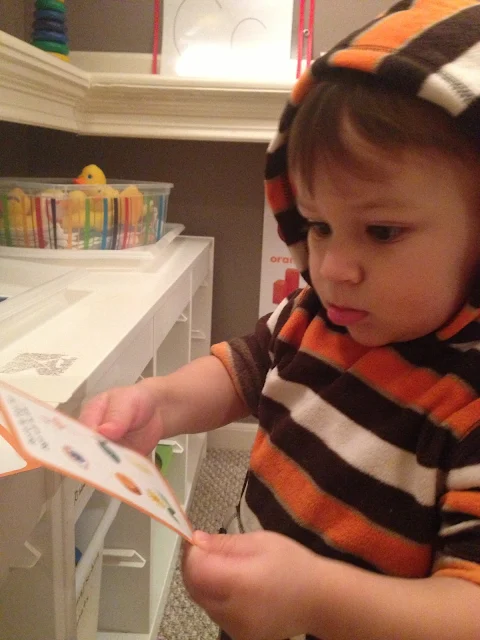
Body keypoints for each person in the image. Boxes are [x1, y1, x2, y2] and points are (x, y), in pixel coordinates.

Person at [80, 1, 480, 638]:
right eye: (318, 226)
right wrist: (159, 404)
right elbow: (242, 370)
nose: (333, 268)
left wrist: (316, 599)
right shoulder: (317, 313)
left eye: (382, 231)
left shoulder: (467, 401)